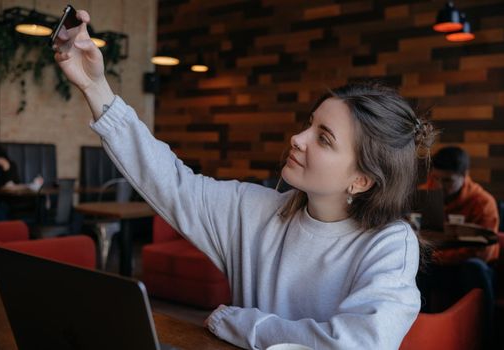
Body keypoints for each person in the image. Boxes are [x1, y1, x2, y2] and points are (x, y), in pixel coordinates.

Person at [53, 10, 435, 349]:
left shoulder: (389, 243)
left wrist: (241, 324)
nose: (297, 139)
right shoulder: (255, 210)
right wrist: (94, 86)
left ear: (362, 180)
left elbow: (358, 344)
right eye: (309, 124)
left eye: (323, 138)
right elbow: (167, 181)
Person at [425, 146, 499, 232]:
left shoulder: (484, 204)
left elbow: (486, 243)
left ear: (464, 174)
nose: (439, 186)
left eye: (447, 180)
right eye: (436, 178)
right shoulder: (424, 193)